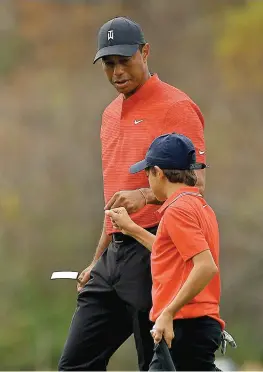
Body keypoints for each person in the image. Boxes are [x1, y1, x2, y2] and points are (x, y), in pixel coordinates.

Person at [58, 17, 206, 371]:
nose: (117, 71)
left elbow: (197, 187)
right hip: (116, 253)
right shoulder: (109, 115)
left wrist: (146, 195)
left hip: (158, 248)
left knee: (154, 366)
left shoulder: (177, 107)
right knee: (75, 364)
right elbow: (113, 201)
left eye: (125, 60)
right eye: (109, 64)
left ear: (145, 52)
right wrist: (97, 259)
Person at [106, 133, 225, 371]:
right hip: (194, 325)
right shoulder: (197, 205)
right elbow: (169, 253)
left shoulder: (178, 211)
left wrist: (168, 312)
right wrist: (132, 229)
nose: (147, 180)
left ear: (158, 173)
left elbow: (206, 266)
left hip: (185, 325)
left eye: (147, 173)